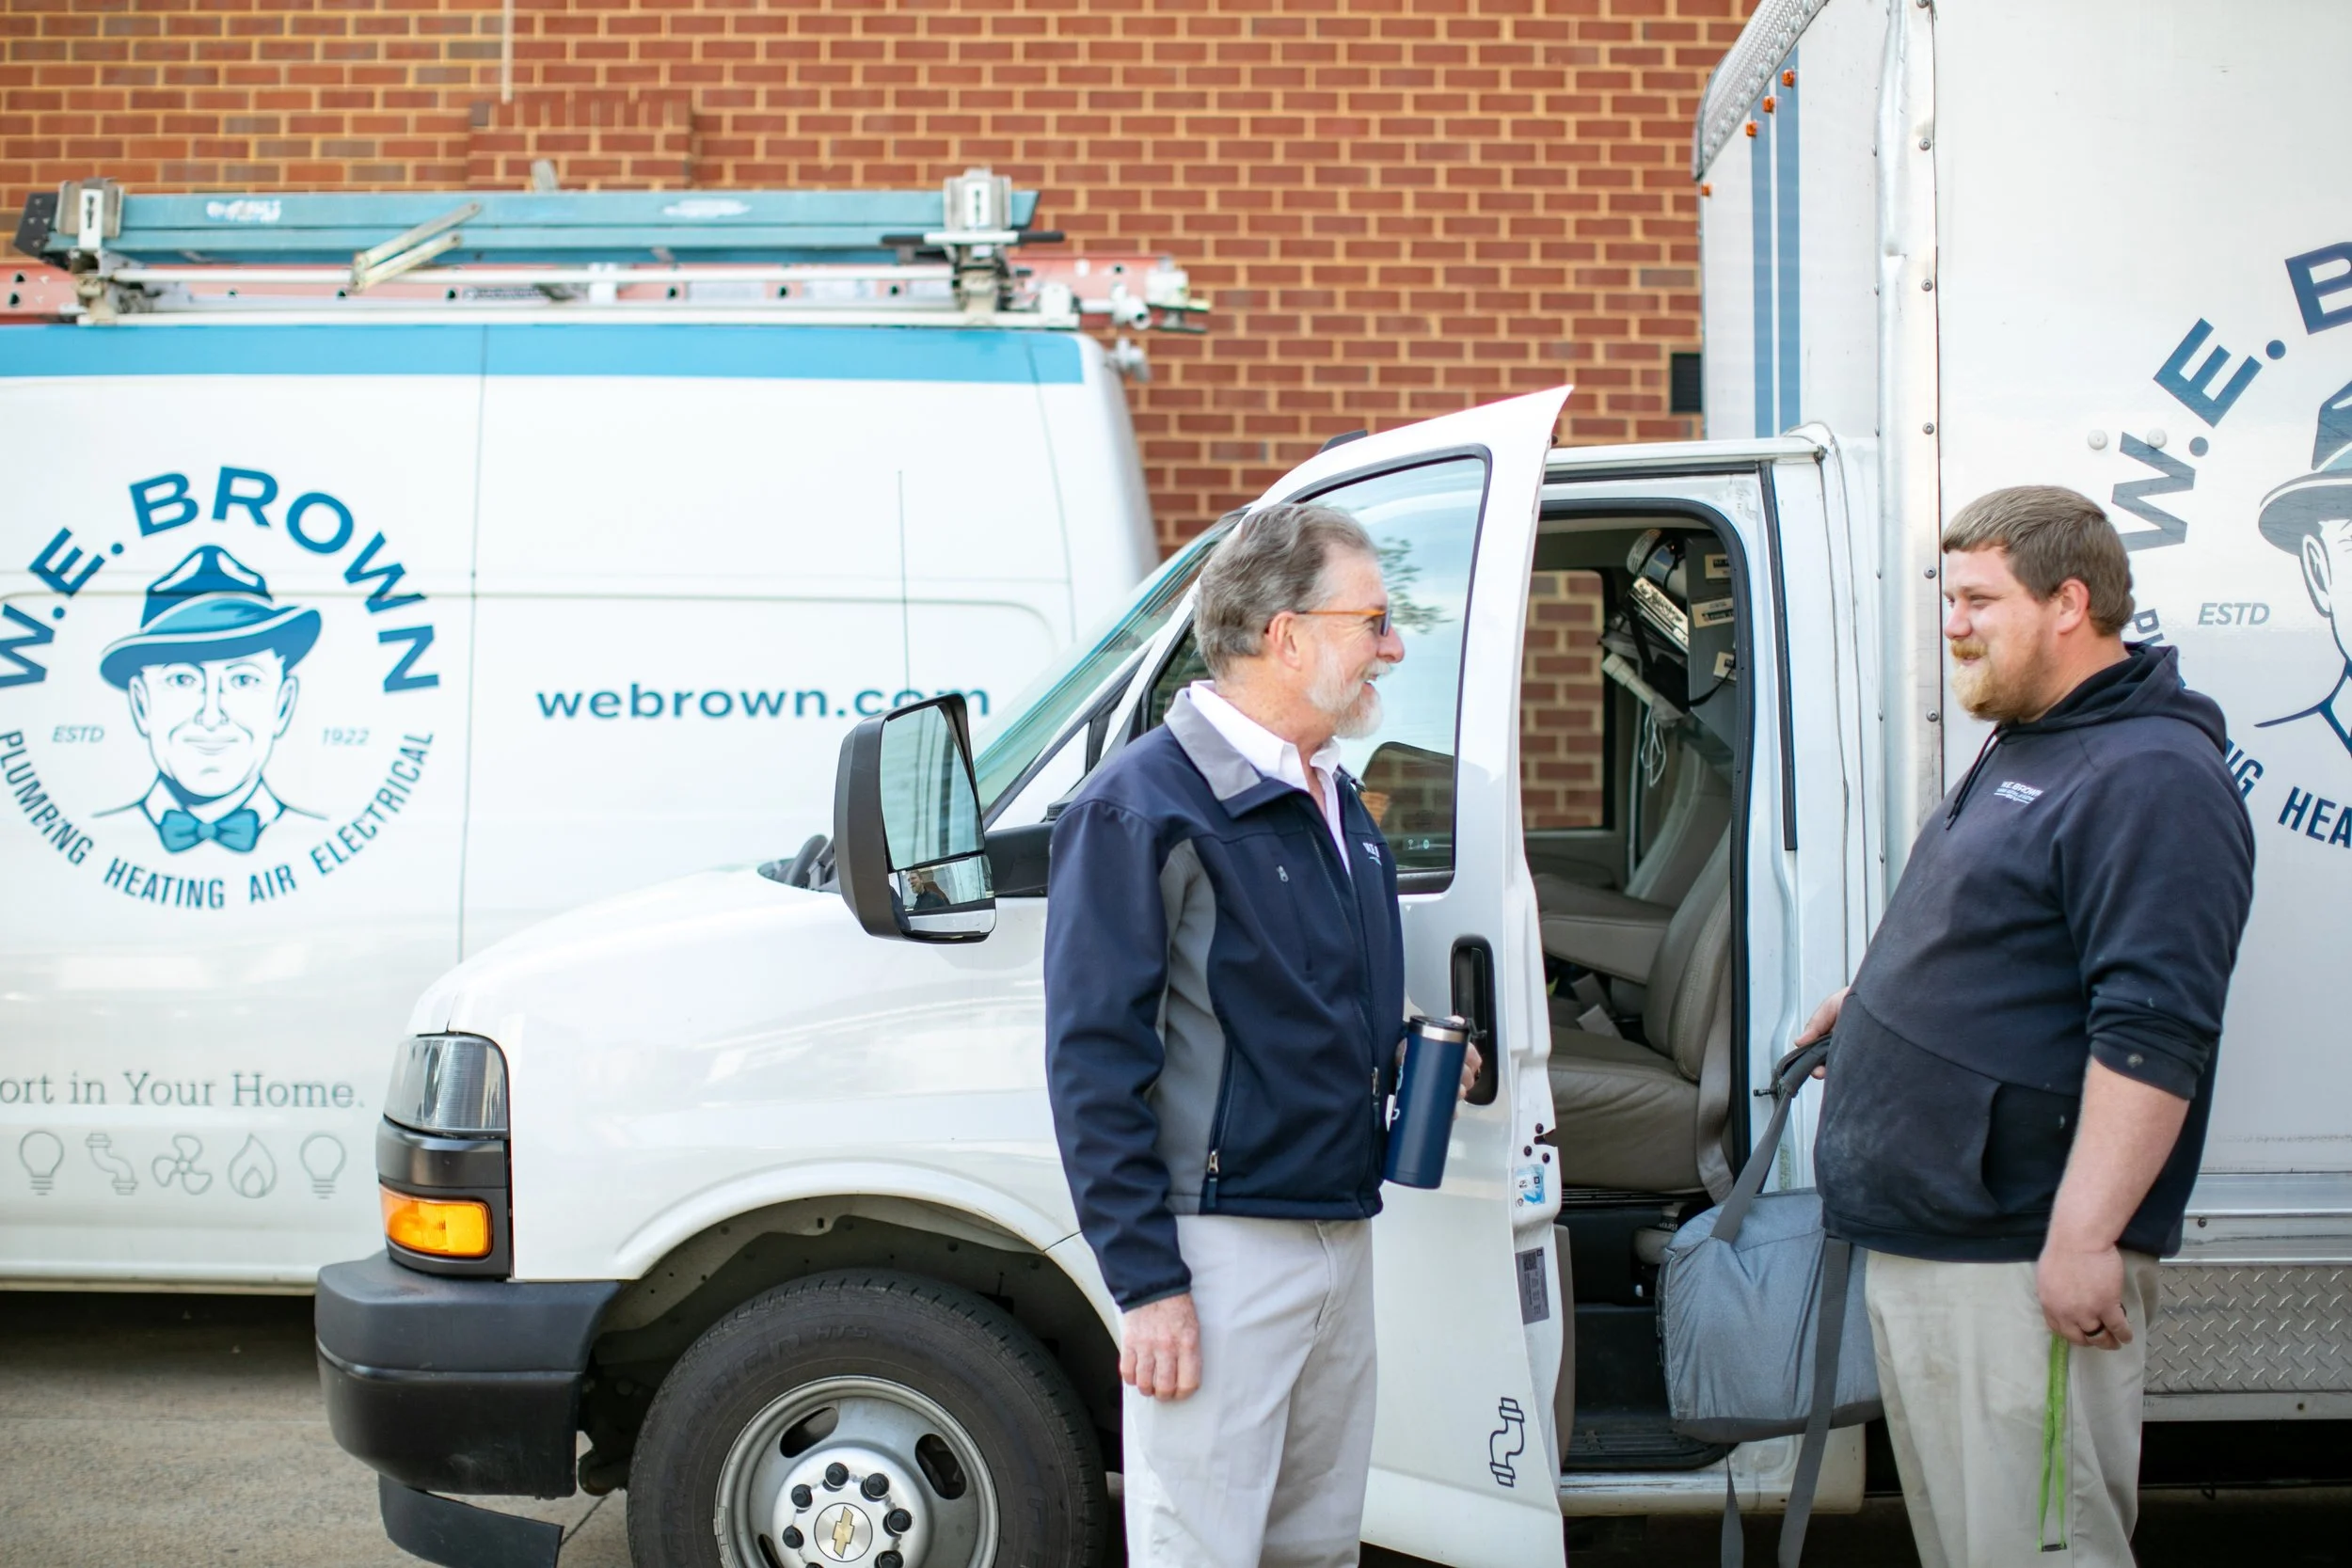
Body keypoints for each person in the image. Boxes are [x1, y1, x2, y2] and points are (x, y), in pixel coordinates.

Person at [1800, 485, 2255, 1567]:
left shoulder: (2149, 777)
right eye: (1948, 597)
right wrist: (1876, 1008)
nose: (1952, 624)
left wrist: (2083, 1237)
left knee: (2040, 1549)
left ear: (2069, 603)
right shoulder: (2035, 740)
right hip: (1942, 1241)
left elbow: (2153, 1030)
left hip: (2017, 1256)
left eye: (1977, 600)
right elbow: (2011, 944)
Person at [1042, 503, 1471, 1568]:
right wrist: (1148, 1284)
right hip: (1219, 1252)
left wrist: (1405, 1047)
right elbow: (1093, 1062)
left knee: (1316, 1547)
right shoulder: (1138, 808)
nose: (1393, 646)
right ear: (1286, 635)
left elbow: (1299, 988)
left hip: (1339, 1229)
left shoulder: (1334, 794)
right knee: (1202, 1549)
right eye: (1373, 620)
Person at [97, 545, 323, 854]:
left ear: (283, 705)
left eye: (243, 680)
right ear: (141, 704)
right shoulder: (96, 836)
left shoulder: (317, 835)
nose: (212, 717)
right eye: (182, 680)